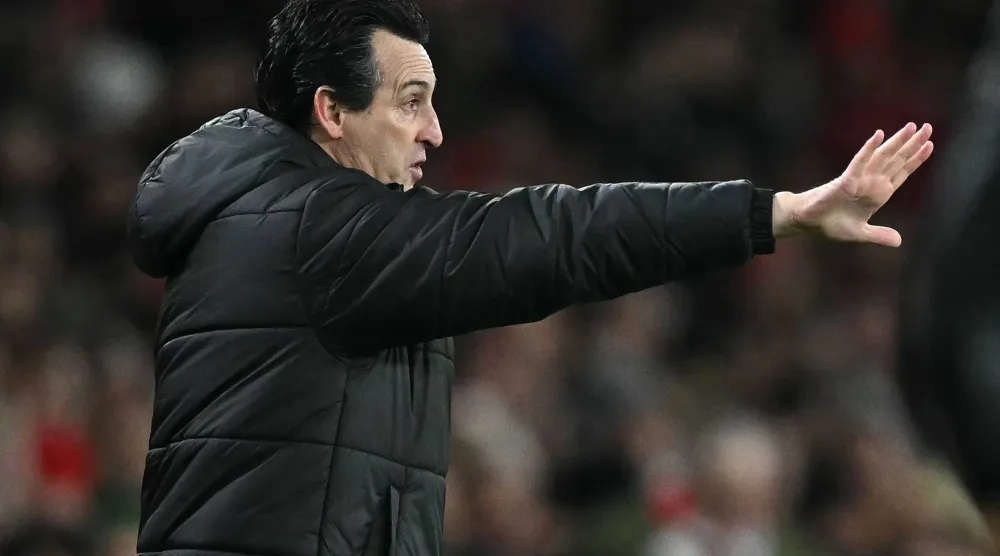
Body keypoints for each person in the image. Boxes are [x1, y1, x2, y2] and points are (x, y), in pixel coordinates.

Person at [126, 1, 934, 555]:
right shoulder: (321, 231)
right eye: (410, 103)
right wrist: (775, 213)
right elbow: (552, 236)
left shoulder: (263, 217)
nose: (435, 132)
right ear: (332, 112)